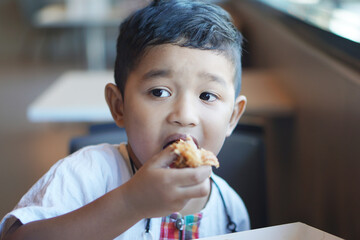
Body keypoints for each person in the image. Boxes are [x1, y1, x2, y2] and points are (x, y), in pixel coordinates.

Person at [0, 0, 249, 239]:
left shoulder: (230, 208)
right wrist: (130, 204)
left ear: (232, 117)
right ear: (119, 107)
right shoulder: (86, 175)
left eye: (207, 95)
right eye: (159, 92)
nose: (184, 116)